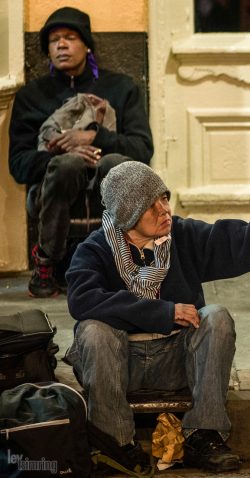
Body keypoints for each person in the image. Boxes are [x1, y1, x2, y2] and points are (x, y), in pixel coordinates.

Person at [63, 161, 250, 473]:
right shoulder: (95, 250)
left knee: (216, 317)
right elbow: (82, 299)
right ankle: (114, 445)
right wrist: (164, 313)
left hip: (175, 363)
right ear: (127, 215)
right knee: (93, 330)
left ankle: (203, 436)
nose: (164, 210)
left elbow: (249, 239)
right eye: (151, 206)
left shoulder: (181, 237)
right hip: (120, 364)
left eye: (164, 199)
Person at [8, 6, 154, 298]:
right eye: (54, 40)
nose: (61, 44)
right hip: (58, 187)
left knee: (114, 162)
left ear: (87, 45)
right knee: (68, 167)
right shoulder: (32, 97)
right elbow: (19, 165)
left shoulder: (121, 88)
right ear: (48, 50)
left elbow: (142, 149)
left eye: (70, 37)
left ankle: (123, 259)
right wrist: (61, 154)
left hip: (106, 182)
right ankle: (47, 261)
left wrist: (93, 138)